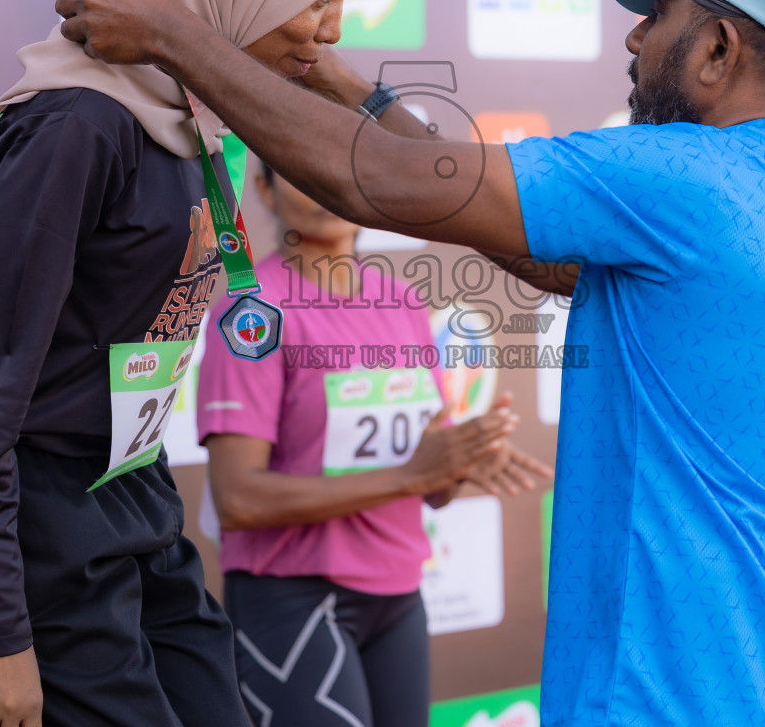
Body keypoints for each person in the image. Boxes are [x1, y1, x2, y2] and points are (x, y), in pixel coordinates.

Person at [57, 0, 765, 726]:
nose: (633, 44)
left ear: (718, 49)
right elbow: (526, 246)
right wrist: (350, 89)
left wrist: (171, 34)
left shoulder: (684, 176)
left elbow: (383, 180)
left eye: (654, 18)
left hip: (661, 689)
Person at [0, 0, 522, 727]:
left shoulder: (185, 117)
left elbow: (420, 177)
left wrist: (291, 57)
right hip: (8, 490)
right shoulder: (79, 124)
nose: (333, 26)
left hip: (120, 484)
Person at [198, 164, 552, 726]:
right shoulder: (251, 313)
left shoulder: (401, 303)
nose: (320, 183)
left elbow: (430, 485)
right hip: (291, 600)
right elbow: (239, 500)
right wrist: (412, 476)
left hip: (398, 595)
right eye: (293, 170)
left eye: (328, 165)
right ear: (264, 189)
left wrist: (460, 459)